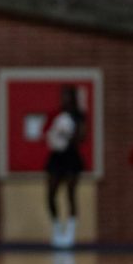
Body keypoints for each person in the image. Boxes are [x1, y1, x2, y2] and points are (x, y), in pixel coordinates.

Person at [45, 85, 85, 249]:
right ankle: (57, 229)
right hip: (56, 158)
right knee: (51, 194)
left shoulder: (79, 116)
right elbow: (48, 132)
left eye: (68, 96)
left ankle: (69, 233)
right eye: (63, 96)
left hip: (71, 157)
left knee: (70, 193)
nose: (65, 99)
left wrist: (68, 135)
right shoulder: (58, 115)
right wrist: (54, 136)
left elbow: (82, 136)